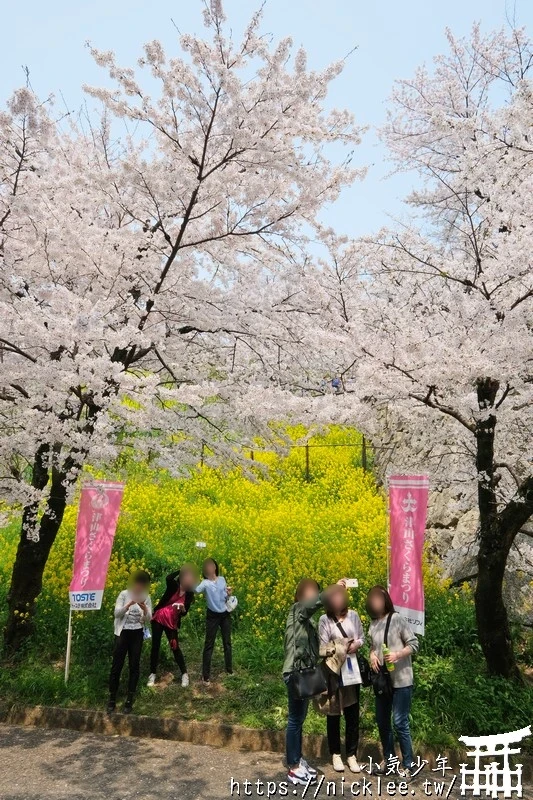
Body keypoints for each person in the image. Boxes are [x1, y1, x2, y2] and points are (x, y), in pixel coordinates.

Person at [282, 578, 347, 787]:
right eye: (309, 592)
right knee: (294, 720)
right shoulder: (296, 610)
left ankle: (297, 758)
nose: (313, 595)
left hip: (304, 675)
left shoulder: (307, 622)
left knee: (299, 719)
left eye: (315, 592)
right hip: (295, 674)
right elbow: (314, 603)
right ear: (300, 596)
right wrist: (335, 588)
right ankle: (293, 767)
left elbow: (313, 650)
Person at [367, 585, 419, 779]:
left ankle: (409, 764)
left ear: (386, 600)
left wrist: (398, 654)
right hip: (383, 682)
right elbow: (373, 646)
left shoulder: (396, 619)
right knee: (382, 721)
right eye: (373, 600)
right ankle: (389, 760)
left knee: (399, 722)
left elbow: (414, 644)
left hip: (402, 679)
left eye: (379, 599)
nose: (376, 603)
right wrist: (372, 655)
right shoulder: (373, 624)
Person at [318, 584, 364, 774]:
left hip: (352, 669)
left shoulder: (353, 615)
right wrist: (341, 646)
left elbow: (361, 638)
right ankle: (335, 753)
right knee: (333, 713)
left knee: (353, 713)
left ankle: (351, 755)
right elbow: (322, 646)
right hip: (333, 670)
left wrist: (356, 645)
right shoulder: (324, 619)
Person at [108, 570, 152, 714]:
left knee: (134, 664)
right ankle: (112, 699)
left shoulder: (146, 597)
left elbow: (149, 619)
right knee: (117, 665)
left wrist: (145, 609)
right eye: (138, 583)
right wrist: (128, 605)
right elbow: (116, 614)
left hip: (137, 633)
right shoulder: (123, 594)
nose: (140, 587)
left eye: (143, 584)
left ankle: (129, 699)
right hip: (122, 633)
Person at [147, 565, 197, 688]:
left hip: (171, 622)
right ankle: (152, 674)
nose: (188, 580)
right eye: (186, 577)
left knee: (175, 647)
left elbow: (184, 613)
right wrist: (181, 570)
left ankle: (185, 674)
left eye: (190, 578)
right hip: (159, 617)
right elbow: (169, 578)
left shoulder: (189, 594)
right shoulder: (173, 585)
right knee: (155, 646)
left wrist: (183, 608)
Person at [195, 558, 233, 684]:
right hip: (212, 616)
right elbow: (195, 590)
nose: (209, 568)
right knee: (209, 644)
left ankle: (229, 670)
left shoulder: (222, 579)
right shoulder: (205, 583)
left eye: (211, 565)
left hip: (225, 614)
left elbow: (224, 597)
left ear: (215, 567)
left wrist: (228, 593)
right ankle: (206, 676)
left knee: (227, 642)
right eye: (206, 566)